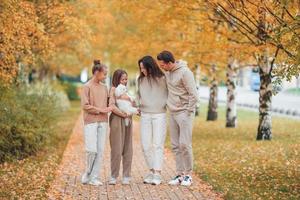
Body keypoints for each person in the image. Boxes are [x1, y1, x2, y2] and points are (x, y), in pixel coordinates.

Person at [157, 50, 199, 187]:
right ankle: (180, 174)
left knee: (185, 144)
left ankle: (188, 175)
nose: (162, 67)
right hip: (173, 112)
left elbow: (194, 94)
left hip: (184, 113)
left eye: (163, 65)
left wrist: (188, 111)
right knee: (175, 145)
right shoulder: (168, 73)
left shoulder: (185, 72)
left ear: (169, 63)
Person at [81, 60, 112, 186]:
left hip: (103, 122)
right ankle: (88, 172)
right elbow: (85, 105)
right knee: (91, 150)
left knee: (100, 150)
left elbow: (110, 103)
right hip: (91, 122)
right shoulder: (87, 86)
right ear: (97, 72)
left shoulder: (105, 87)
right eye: (104, 74)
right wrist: (101, 110)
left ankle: (95, 177)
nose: (105, 76)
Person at [137, 56, 168, 185]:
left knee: (157, 145)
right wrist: (137, 105)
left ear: (150, 66)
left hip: (159, 114)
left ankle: (157, 173)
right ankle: (151, 170)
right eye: (141, 68)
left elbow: (171, 93)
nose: (142, 70)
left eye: (144, 68)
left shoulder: (163, 78)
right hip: (145, 114)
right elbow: (139, 95)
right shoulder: (141, 80)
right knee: (145, 145)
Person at [108, 69, 133, 185]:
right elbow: (112, 106)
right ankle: (114, 175)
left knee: (128, 148)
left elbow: (131, 103)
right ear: (116, 78)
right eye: (122, 79)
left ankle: (126, 175)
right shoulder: (113, 89)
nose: (124, 81)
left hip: (128, 120)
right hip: (117, 120)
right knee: (117, 149)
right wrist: (123, 114)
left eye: (126, 79)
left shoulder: (126, 91)